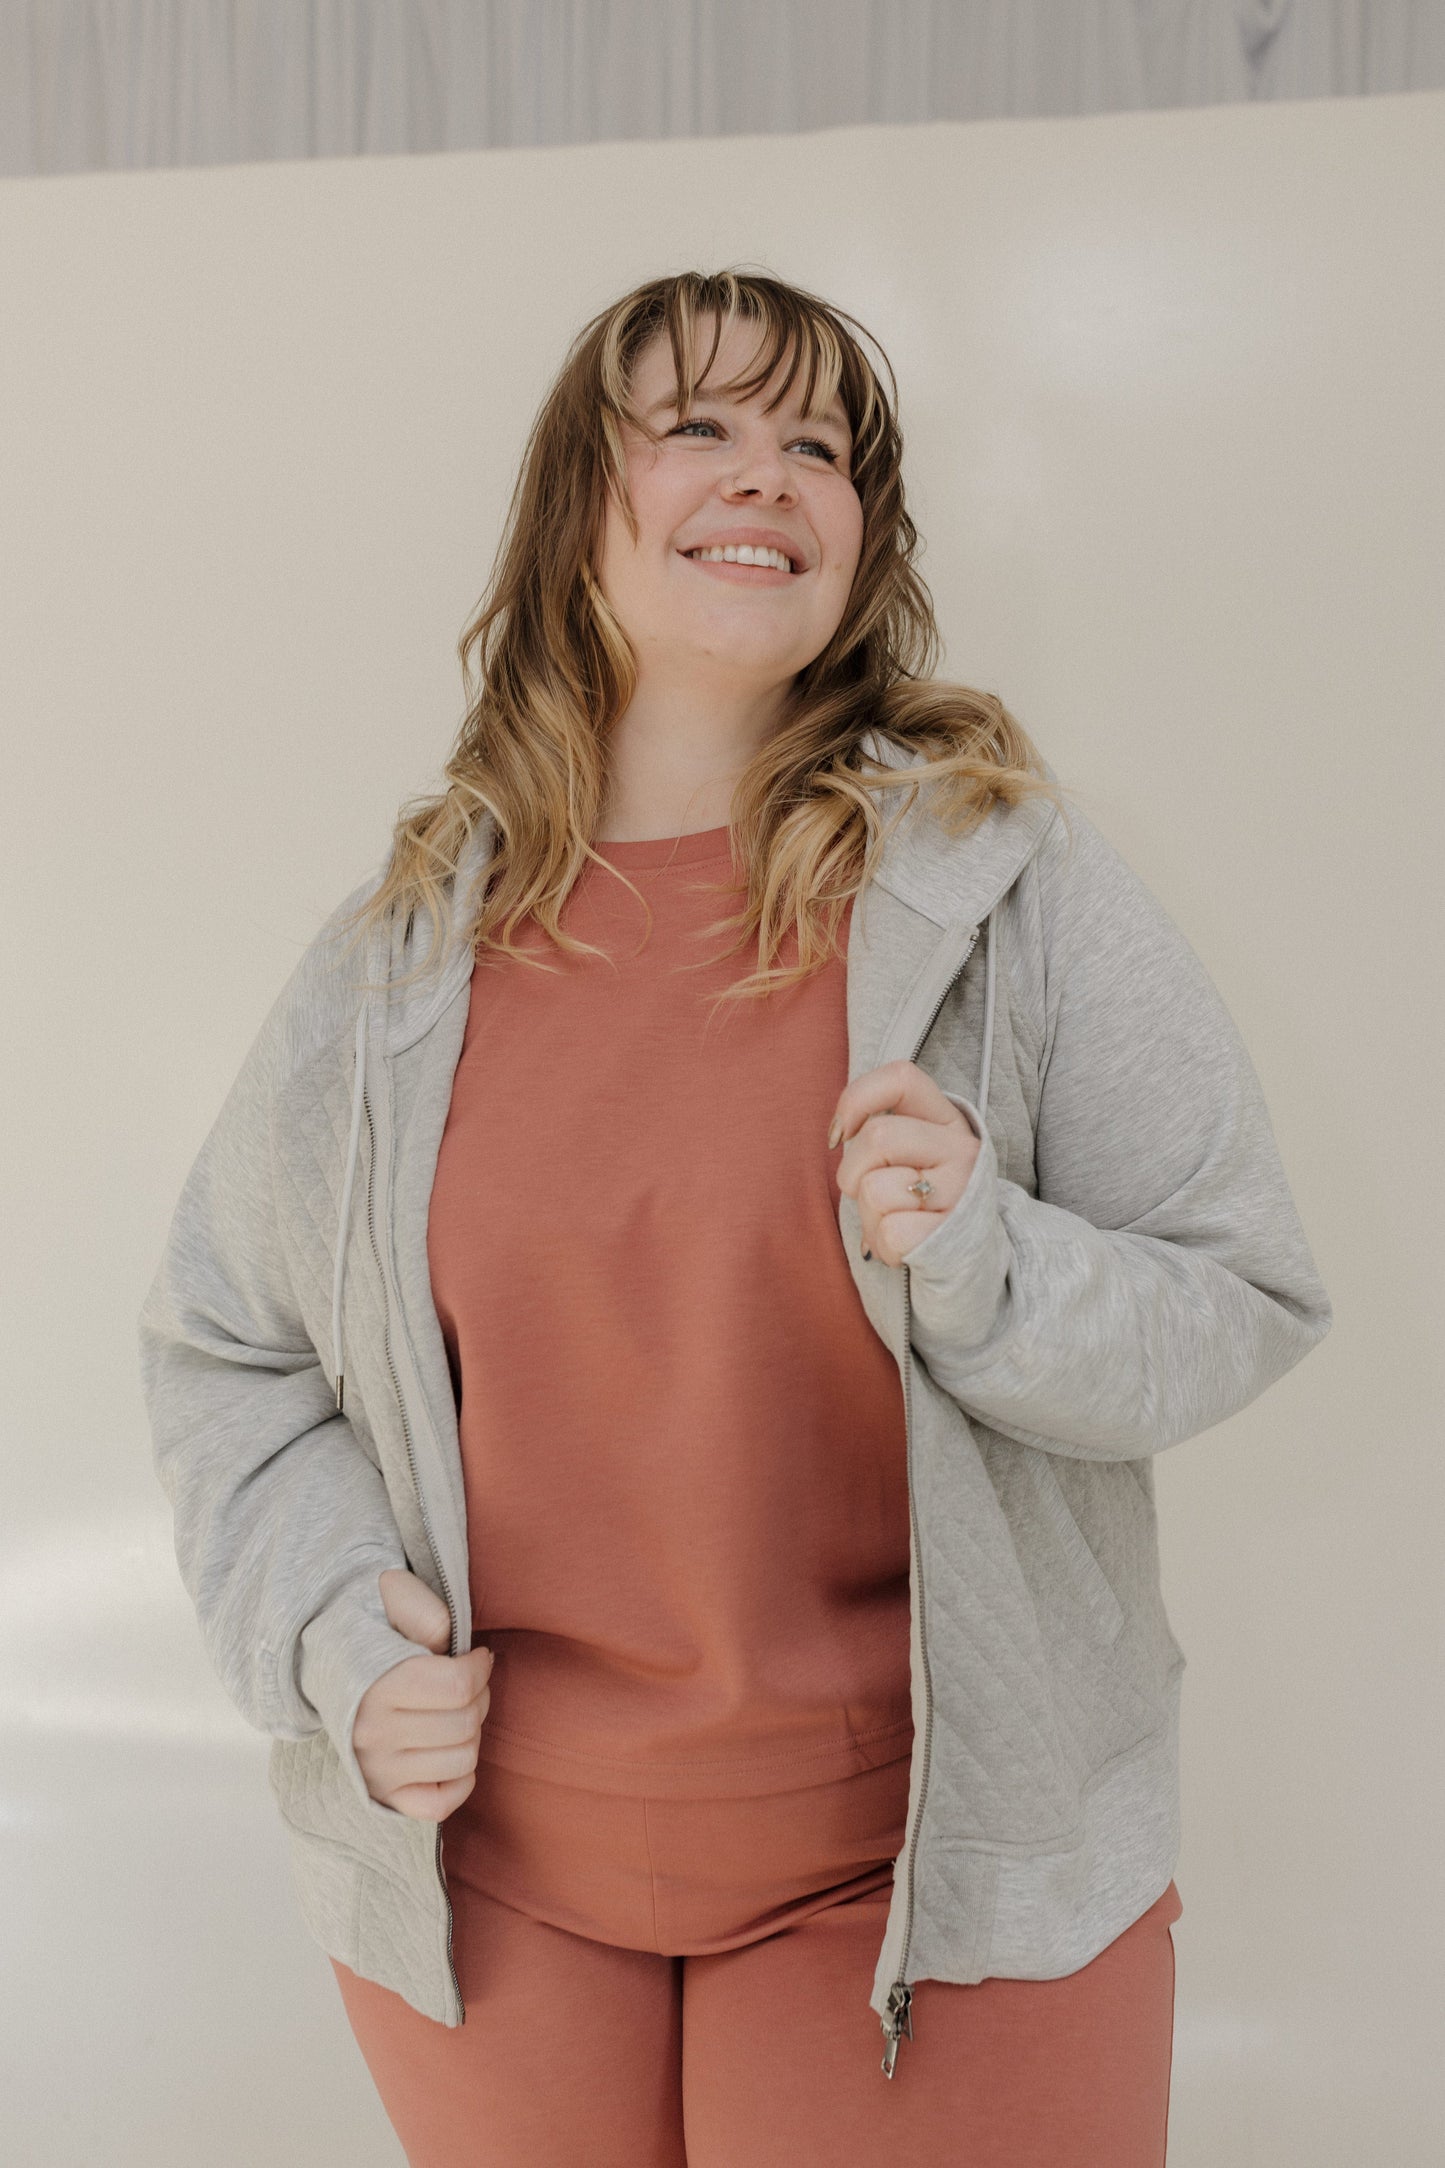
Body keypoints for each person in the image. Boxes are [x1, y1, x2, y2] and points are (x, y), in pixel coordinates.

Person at [137, 267, 1332, 2165]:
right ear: (576, 510)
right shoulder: (398, 958)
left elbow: (1236, 1291)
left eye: (818, 445)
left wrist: (985, 1260)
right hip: (487, 1888)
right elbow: (229, 1350)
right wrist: (331, 1643)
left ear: (861, 536)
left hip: (926, 1882)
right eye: (696, 424)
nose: (767, 473)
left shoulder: (998, 881)